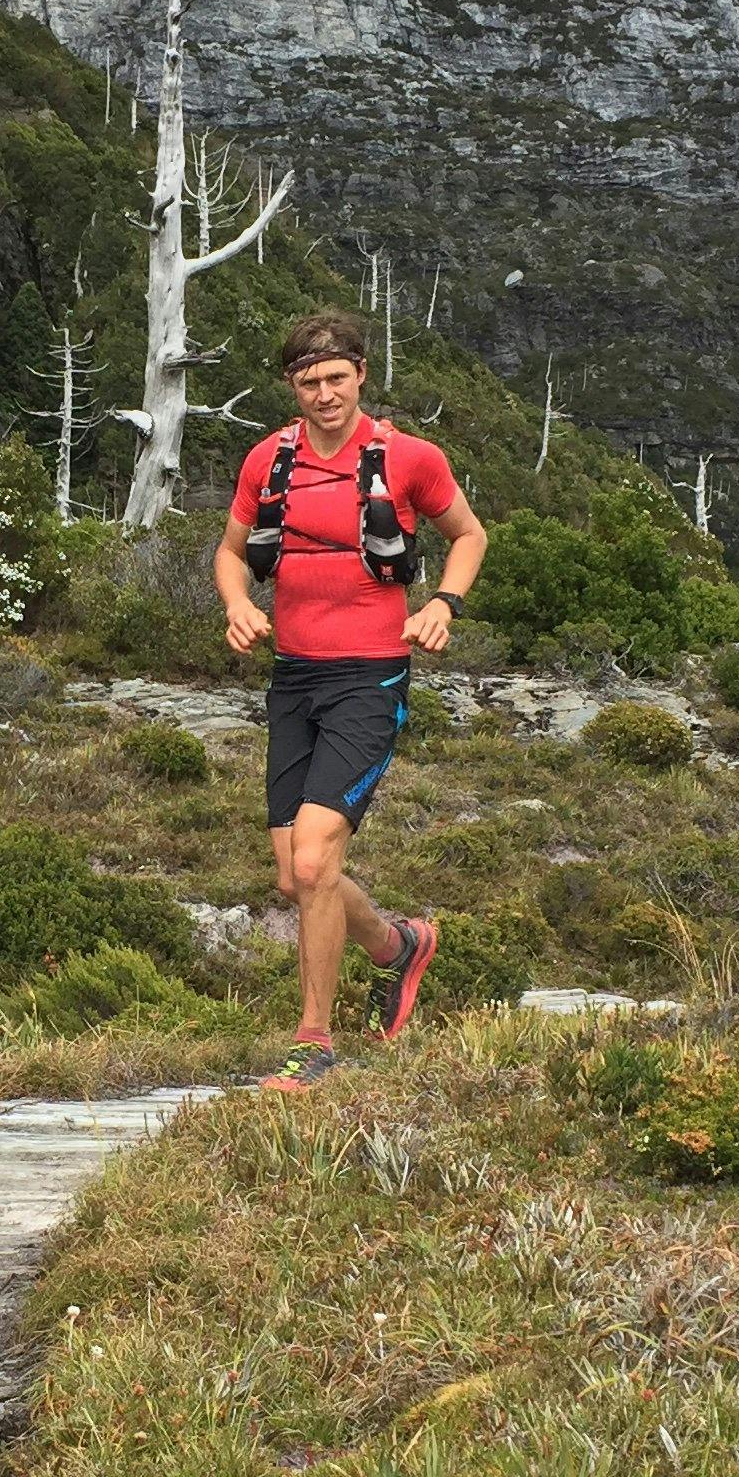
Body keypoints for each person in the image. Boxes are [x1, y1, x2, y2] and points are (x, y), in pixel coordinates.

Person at [214, 312, 486, 1091]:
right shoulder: (268, 459)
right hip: (293, 676)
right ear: (291, 386)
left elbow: (468, 535)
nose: (325, 393)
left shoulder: (410, 459)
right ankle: (399, 947)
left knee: (313, 859)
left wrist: (443, 605)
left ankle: (313, 1044)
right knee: (295, 878)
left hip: (371, 676)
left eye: (337, 378)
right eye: (309, 382)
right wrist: (236, 604)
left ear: (361, 374)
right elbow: (231, 553)